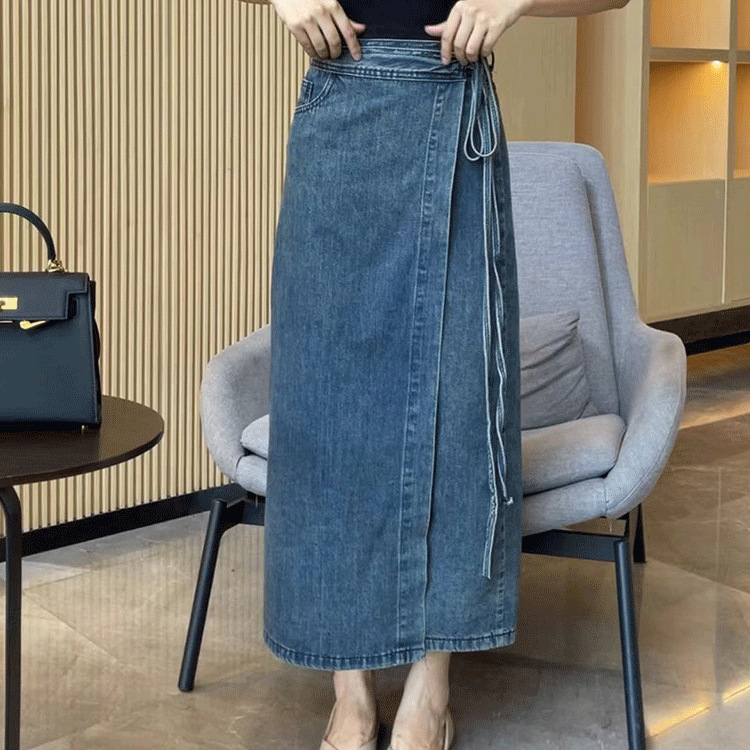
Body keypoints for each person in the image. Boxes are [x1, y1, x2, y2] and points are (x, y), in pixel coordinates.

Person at [261, 2, 631, 750]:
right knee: (328, 409)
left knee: (458, 399)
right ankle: (351, 691)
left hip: (454, 109)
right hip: (341, 102)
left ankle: (431, 692)